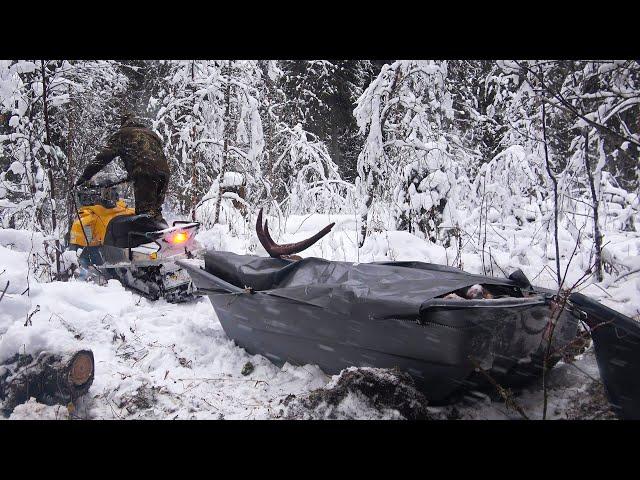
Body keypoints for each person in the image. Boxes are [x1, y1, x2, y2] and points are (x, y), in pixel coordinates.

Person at [75, 112, 170, 222]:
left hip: (144, 173)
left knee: (144, 215)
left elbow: (102, 159)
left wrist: (84, 178)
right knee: (154, 212)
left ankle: (145, 238)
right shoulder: (151, 134)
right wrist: (131, 175)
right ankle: (164, 237)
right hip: (164, 173)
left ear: (123, 124)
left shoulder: (122, 134)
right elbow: (149, 156)